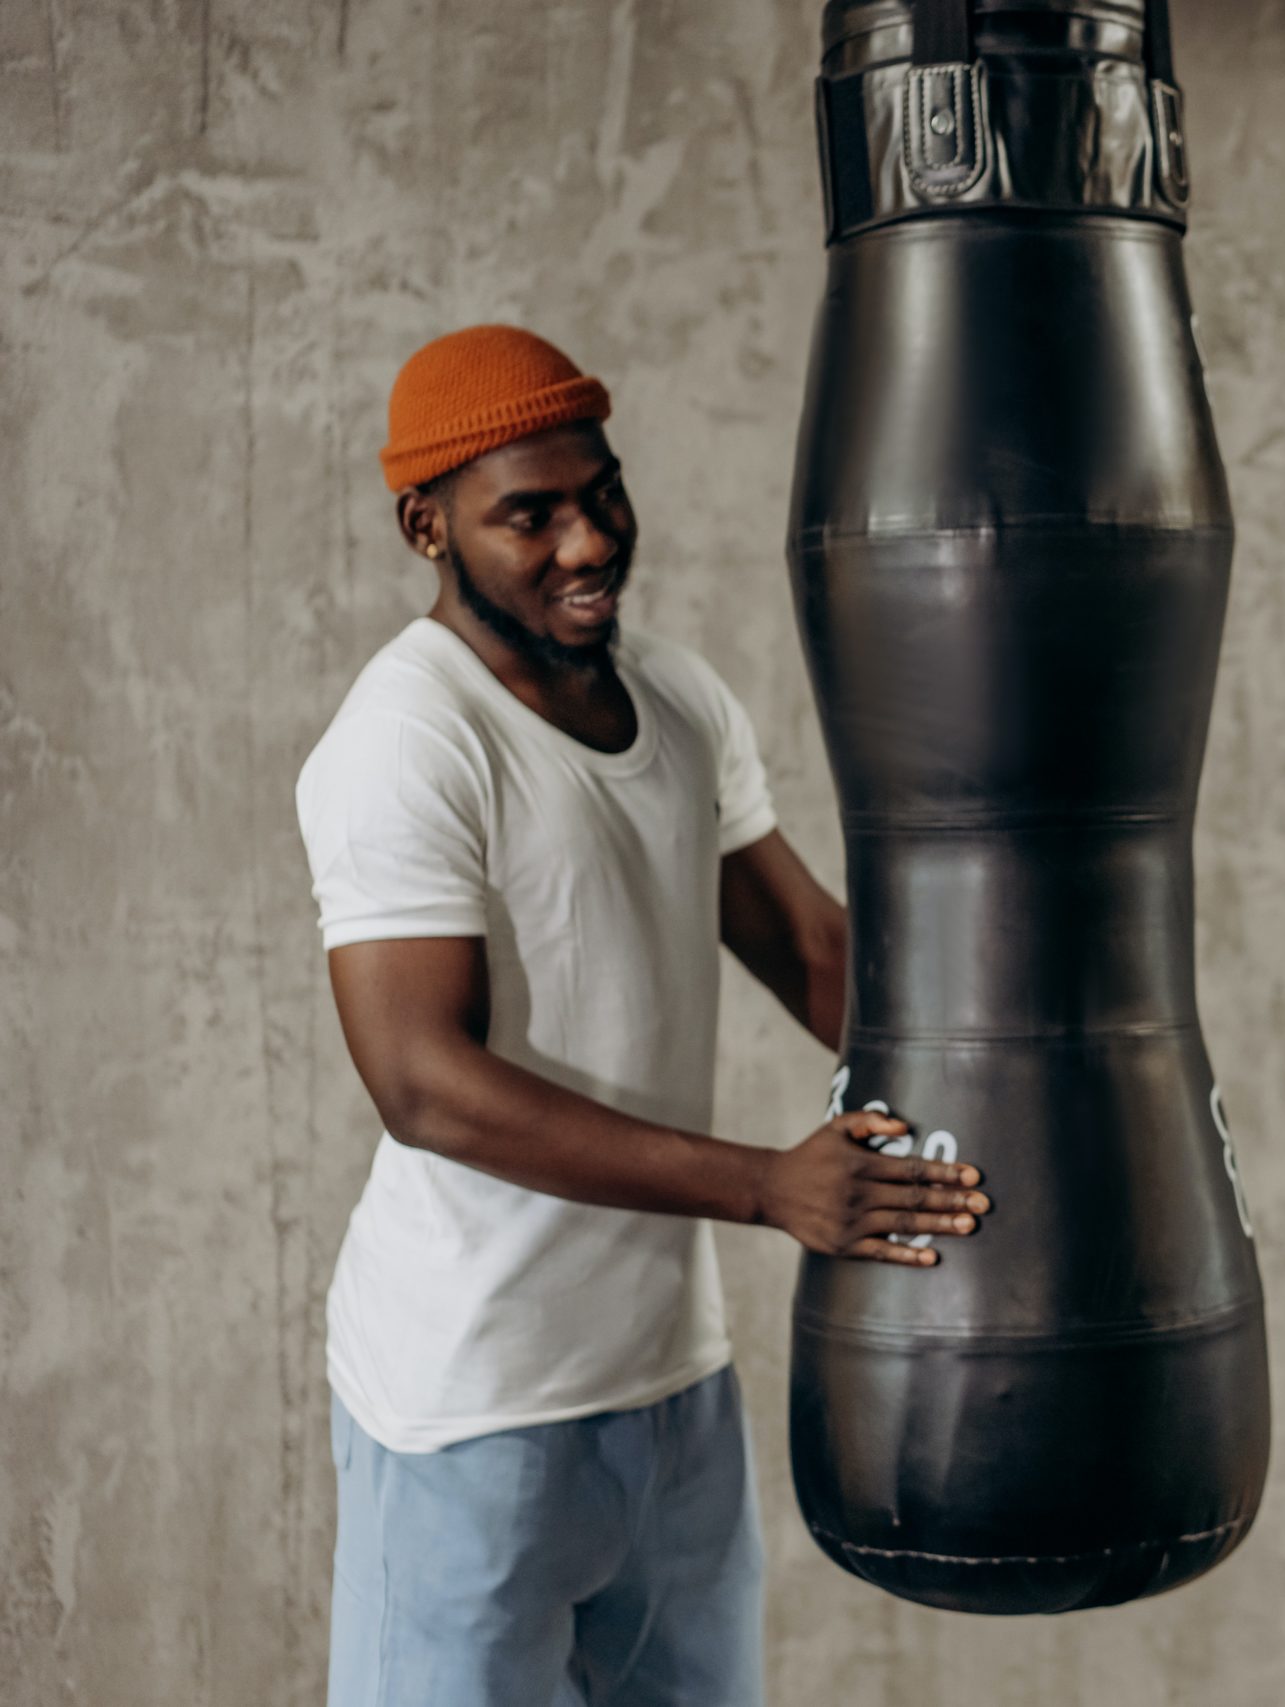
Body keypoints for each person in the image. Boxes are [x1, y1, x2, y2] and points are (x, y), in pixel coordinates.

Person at [296, 324, 991, 1707]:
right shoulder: (406, 738)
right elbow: (423, 1081)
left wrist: (1016, 1114)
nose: (585, 543)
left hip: (672, 1390)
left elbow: (813, 951)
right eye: (529, 516)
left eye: (600, 493)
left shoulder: (675, 694)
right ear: (425, 526)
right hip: (472, 1402)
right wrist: (768, 1190)